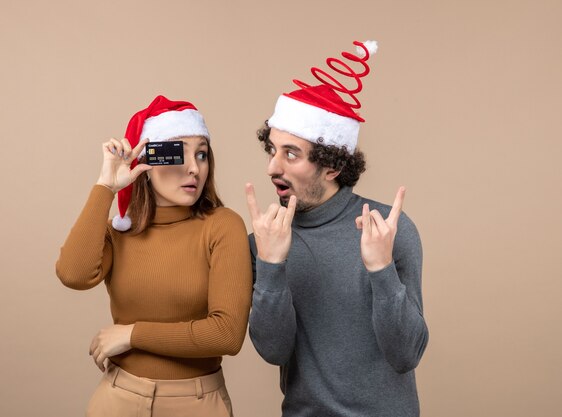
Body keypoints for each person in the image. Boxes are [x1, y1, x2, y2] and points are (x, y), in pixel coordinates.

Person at [246, 41, 429, 417]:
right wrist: (270, 265)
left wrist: (381, 270)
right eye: (272, 150)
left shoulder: (386, 229)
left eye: (290, 153)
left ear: (331, 167)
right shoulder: (266, 240)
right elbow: (273, 350)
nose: (272, 168)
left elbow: (406, 353)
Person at [56, 95, 252, 417]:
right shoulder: (119, 231)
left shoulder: (222, 226)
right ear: (149, 162)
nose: (194, 168)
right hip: (116, 400)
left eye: (202, 154)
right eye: (177, 153)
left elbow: (227, 334)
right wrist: (107, 186)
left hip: (197, 404)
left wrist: (132, 334)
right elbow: (72, 274)